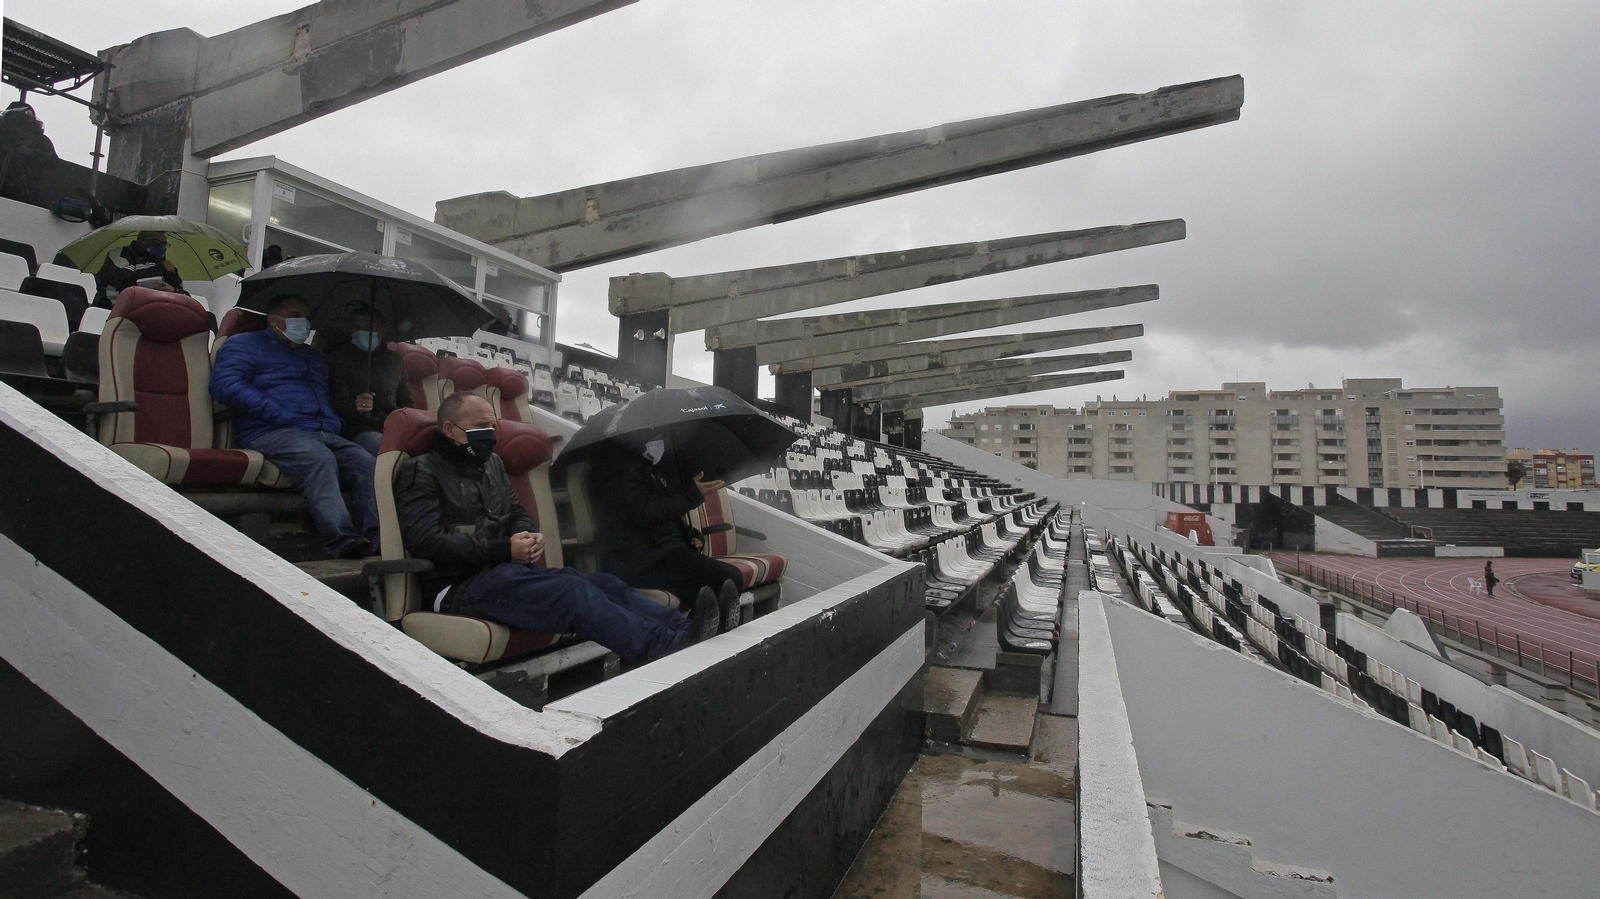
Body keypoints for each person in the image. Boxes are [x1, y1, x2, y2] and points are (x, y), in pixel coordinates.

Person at [397, 393, 714, 661]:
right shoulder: (421, 471)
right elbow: (427, 539)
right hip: (457, 587)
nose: (491, 433)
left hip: (505, 574)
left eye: (493, 426)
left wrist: (527, 534)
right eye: (481, 426)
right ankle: (668, 647)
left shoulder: (492, 465)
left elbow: (516, 512)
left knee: (605, 584)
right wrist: (503, 548)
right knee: (573, 593)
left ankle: (687, 629)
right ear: (451, 430)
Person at [210, 295, 379, 559]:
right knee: (319, 459)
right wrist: (275, 410)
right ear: (273, 318)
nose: (303, 321)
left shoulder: (314, 358)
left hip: (321, 431)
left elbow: (323, 397)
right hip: (270, 430)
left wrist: (337, 419)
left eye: (306, 316)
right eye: (295, 314)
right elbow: (225, 385)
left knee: (366, 463)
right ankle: (342, 541)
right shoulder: (243, 345)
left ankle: (375, 540)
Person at [588, 435, 744, 631]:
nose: (659, 440)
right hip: (638, 560)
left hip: (661, 554)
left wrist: (690, 535)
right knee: (726, 580)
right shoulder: (617, 468)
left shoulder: (646, 467)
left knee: (726, 580)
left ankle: (700, 636)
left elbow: (662, 517)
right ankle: (690, 639)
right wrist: (690, 493)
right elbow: (643, 512)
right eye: (653, 434)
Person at [326, 307, 412, 455]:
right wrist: (356, 407)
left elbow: (406, 401)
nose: (361, 332)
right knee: (388, 449)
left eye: (368, 328)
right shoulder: (339, 359)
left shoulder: (395, 361)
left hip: (392, 428)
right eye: (356, 328)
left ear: (382, 332)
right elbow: (335, 404)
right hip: (358, 431)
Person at [94, 230, 185, 307]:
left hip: (148, 314)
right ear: (142, 242)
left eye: (164, 244)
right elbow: (125, 276)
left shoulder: (166, 266)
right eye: (157, 242)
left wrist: (173, 291)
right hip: (110, 309)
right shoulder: (120, 254)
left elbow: (186, 298)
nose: (161, 247)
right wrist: (160, 268)